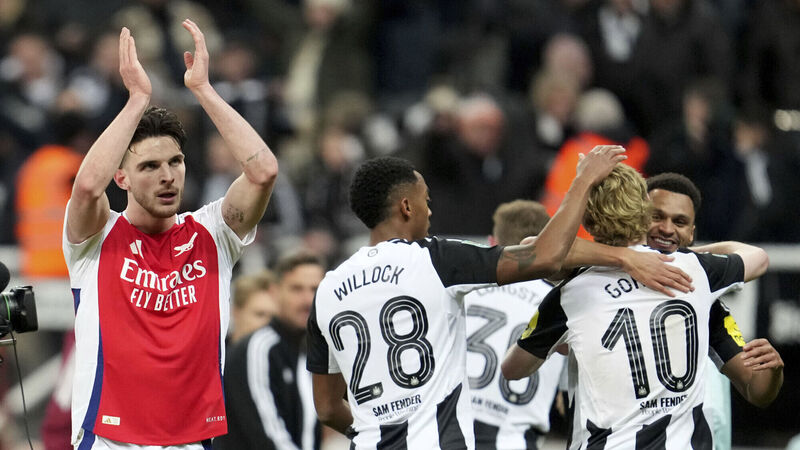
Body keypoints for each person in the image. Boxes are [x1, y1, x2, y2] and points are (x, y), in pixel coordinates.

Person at [305, 148, 694, 449]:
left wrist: (375, 433)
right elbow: (544, 256)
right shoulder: (435, 259)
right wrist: (584, 182)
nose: (430, 210)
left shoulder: (328, 289)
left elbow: (327, 407)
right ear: (406, 206)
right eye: (425, 200)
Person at [62, 20, 278, 449]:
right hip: (110, 439)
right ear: (121, 178)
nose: (167, 176)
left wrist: (204, 90)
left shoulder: (213, 233)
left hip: (191, 440)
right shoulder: (96, 237)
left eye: (175, 162)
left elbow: (263, 171)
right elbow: (86, 187)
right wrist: (137, 101)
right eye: (149, 166)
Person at [502, 164, 784, 449]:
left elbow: (513, 367)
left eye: (679, 222)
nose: (667, 229)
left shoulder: (571, 292)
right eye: (657, 216)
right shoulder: (694, 276)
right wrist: (677, 257)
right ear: (641, 215)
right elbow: (757, 258)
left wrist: (773, 372)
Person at [464, 200, 564, 450]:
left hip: (450, 436)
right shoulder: (561, 303)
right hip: (517, 441)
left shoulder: (463, 293)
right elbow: (566, 402)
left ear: (491, 243)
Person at [215, 251, 325, 450]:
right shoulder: (260, 348)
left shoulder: (309, 352)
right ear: (275, 292)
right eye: (296, 289)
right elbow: (268, 437)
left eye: (315, 289)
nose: (307, 300)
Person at [228, 269, 280, 345]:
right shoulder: (214, 350)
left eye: (273, 318)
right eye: (260, 314)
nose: (268, 323)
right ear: (236, 312)